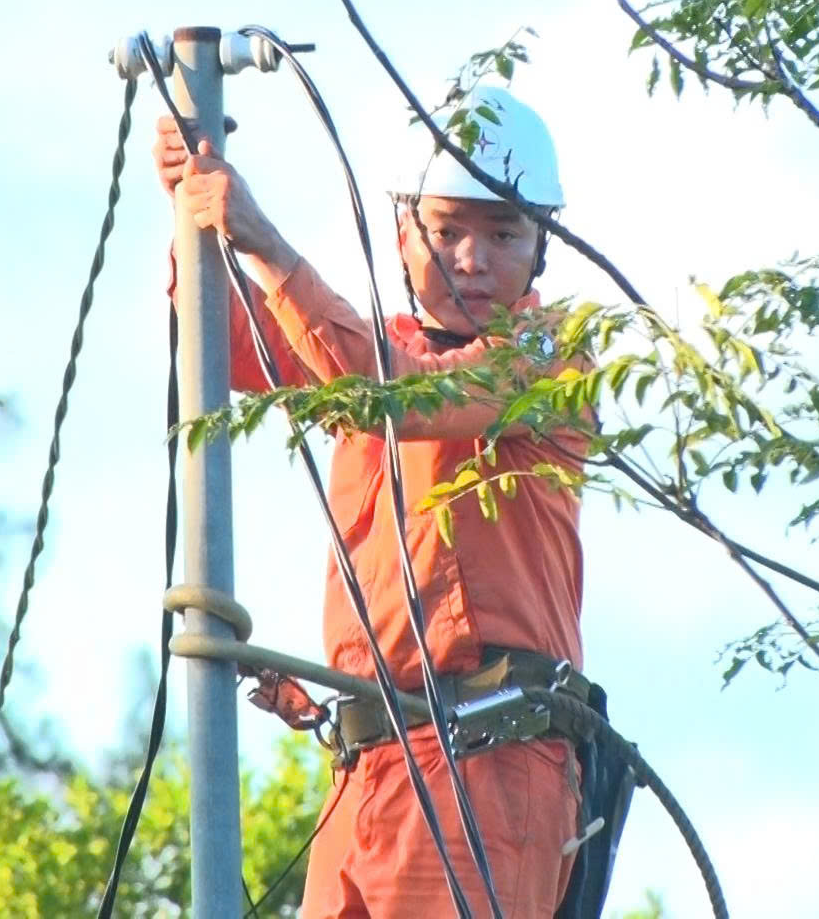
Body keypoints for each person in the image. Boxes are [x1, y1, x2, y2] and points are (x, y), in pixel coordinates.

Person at [154, 85, 602, 919]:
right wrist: (196, 214)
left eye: (503, 234)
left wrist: (265, 241)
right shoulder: (371, 350)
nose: (471, 259)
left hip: (488, 767)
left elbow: (396, 397)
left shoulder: (547, 361)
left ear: (543, 245)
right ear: (401, 232)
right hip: (370, 766)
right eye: (446, 229)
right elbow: (230, 348)